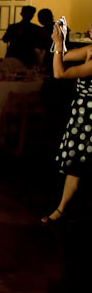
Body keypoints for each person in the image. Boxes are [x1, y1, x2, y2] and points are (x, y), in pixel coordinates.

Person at [41, 22, 92, 224]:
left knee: (80, 162)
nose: (89, 28)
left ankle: (65, 210)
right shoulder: (89, 49)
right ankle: (62, 209)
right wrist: (58, 41)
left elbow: (59, 73)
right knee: (76, 163)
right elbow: (63, 55)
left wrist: (60, 43)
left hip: (89, 115)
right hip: (82, 114)